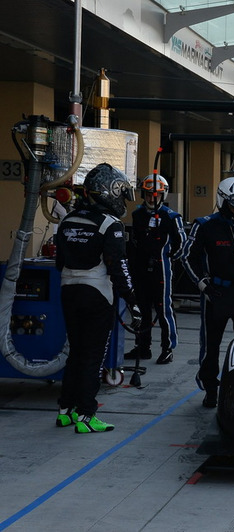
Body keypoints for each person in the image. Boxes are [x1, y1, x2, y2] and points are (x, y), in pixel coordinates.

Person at [55, 163, 142, 433]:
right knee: (93, 355)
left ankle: (65, 410)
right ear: (108, 192)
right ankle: (86, 416)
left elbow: (59, 262)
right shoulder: (110, 224)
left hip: (68, 290)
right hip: (96, 294)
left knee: (75, 352)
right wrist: (134, 302)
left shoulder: (67, 220)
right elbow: (119, 268)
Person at [182, 177, 234, 408]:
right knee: (211, 345)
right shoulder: (205, 225)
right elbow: (187, 256)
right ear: (223, 200)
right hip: (216, 293)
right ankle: (210, 388)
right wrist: (202, 284)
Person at [124, 174, 186, 365]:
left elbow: (182, 243)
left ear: (163, 195)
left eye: (156, 195)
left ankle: (167, 349)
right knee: (142, 309)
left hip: (162, 269)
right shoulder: (137, 214)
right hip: (140, 268)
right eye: (149, 195)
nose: (152, 199)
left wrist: (169, 258)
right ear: (143, 194)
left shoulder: (171, 216)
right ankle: (143, 347)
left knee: (163, 309)